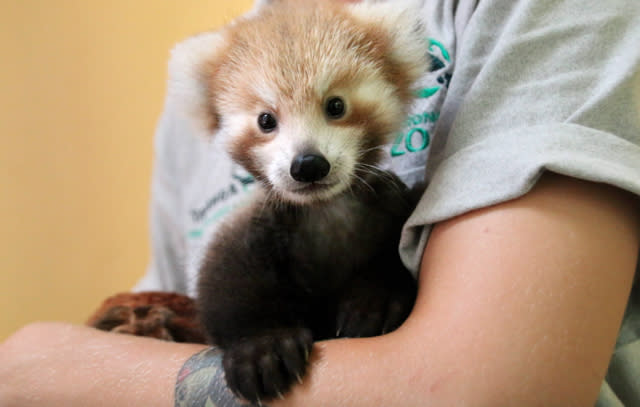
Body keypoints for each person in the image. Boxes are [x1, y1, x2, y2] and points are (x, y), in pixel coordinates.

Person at [1, 0, 639, 405]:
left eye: (334, 110)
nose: (304, 153)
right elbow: (187, 313)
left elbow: (494, 391)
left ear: (401, 75)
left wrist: (65, 371)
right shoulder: (192, 109)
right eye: (268, 122)